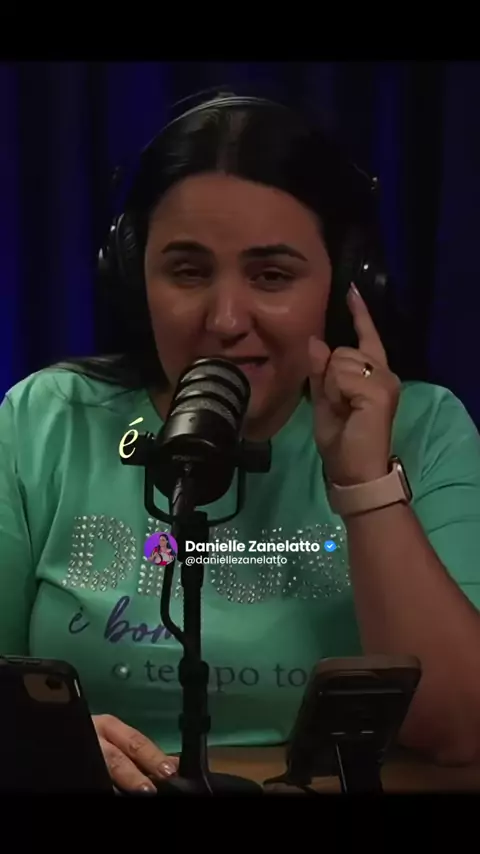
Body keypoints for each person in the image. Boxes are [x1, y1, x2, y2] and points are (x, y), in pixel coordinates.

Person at [1, 92, 480, 795]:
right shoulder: (46, 421)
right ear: (134, 277)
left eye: (272, 275)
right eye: (188, 271)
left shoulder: (423, 429)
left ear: (344, 285)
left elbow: (462, 732)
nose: (226, 321)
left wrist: (365, 484)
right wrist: (42, 747)